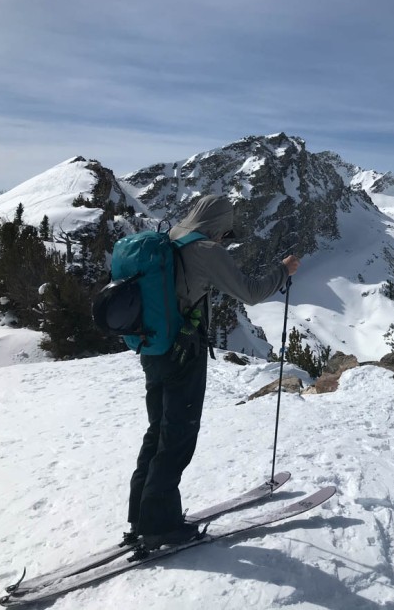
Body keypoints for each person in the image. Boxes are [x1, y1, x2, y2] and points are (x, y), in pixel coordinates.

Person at [126, 195, 299, 548]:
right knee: (178, 435)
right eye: (225, 233)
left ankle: (140, 516)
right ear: (219, 226)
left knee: (157, 429)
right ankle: (160, 525)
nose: (225, 240)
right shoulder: (206, 250)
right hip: (182, 352)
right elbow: (250, 293)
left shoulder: (168, 237)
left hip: (152, 347)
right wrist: (284, 270)